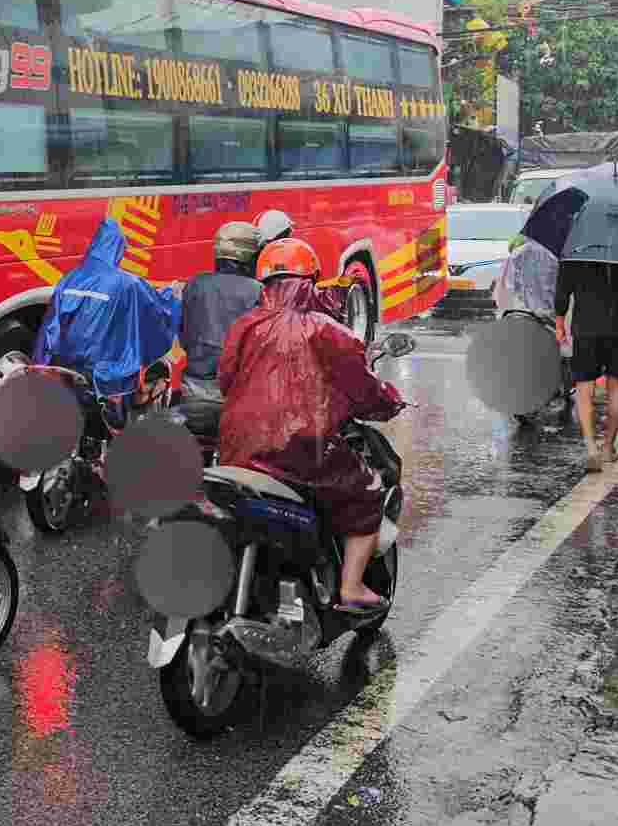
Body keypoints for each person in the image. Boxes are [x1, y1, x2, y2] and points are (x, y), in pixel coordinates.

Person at [217, 239, 406, 615]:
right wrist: (390, 401)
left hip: (238, 446)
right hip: (305, 449)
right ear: (312, 282)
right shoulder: (328, 330)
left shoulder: (243, 325)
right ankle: (351, 588)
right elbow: (365, 390)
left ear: (264, 282)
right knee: (367, 491)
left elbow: (226, 380)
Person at [32, 217, 183, 417]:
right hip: (106, 376)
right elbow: (156, 309)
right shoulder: (127, 283)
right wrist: (171, 295)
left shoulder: (69, 279)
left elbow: (51, 327)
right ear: (116, 249)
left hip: (67, 370)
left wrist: (41, 366)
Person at [555, 258, 618, 472]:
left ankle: (591, 450)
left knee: (584, 388)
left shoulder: (575, 252)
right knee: (615, 386)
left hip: (586, 328)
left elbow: (562, 290)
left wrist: (559, 324)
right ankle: (607, 448)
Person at [178, 222, 265, 403]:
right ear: (250, 256)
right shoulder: (257, 290)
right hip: (237, 390)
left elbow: (184, 335)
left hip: (194, 385)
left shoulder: (195, 284)